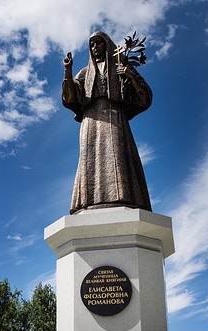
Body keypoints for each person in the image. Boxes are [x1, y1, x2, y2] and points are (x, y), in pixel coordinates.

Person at [62, 31, 153, 215]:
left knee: (118, 156)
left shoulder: (122, 67)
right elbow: (70, 97)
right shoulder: (85, 73)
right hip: (91, 120)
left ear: (107, 45)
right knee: (89, 160)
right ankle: (88, 201)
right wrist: (68, 71)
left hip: (115, 118)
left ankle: (123, 196)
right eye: (92, 45)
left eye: (99, 43)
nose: (95, 48)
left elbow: (144, 98)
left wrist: (130, 76)